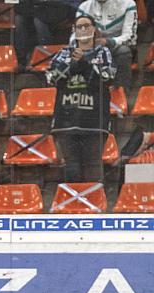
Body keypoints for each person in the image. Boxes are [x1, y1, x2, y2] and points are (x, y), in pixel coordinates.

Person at [47, 14, 115, 183]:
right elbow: (51, 78)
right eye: (79, 26)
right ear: (74, 31)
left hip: (94, 120)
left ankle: (94, 205)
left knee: (93, 166)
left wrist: (84, 63)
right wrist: (72, 65)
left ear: (94, 29)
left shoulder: (103, 52)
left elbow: (107, 78)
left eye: (87, 26)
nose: (83, 29)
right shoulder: (64, 53)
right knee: (72, 167)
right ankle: (73, 207)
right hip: (66, 119)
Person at [75, 0, 137, 91]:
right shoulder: (84, 7)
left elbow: (130, 36)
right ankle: (84, 92)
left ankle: (122, 92)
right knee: (76, 53)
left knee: (123, 52)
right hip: (92, 47)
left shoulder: (128, 4)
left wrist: (108, 41)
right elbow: (74, 36)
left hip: (118, 46)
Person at [15, 0, 80, 70]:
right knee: (19, 19)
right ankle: (21, 59)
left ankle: (46, 59)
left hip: (59, 7)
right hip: (36, 8)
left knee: (39, 22)